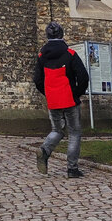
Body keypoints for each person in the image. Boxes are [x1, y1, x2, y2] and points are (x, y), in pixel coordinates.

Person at [33, 21, 90, 178]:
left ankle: (45, 150)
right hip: (69, 99)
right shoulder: (70, 54)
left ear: (47, 36)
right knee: (74, 133)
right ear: (62, 34)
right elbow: (83, 77)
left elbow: (37, 80)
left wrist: (48, 93)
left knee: (57, 130)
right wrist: (77, 93)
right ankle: (72, 169)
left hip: (53, 101)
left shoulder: (41, 57)